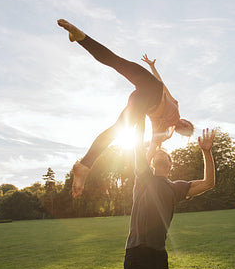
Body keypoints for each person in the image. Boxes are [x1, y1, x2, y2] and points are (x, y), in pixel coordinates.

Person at [57, 19, 194, 198]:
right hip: (150, 86)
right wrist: (153, 67)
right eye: (187, 124)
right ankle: (82, 38)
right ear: (186, 119)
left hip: (145, 102)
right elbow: (163, 84)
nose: (183, 125)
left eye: (185, 130)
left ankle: (84, 165)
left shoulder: (166, 132)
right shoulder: (175, 104)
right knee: (117, 62)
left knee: (118, 129)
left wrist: (144, 166)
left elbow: (153, 145)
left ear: (180, 133)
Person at [124, 126, 215, 269]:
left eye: (164, 154)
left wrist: (206, 152)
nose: (159, 154)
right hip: (137, 253)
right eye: (156, 155)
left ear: (170, 163)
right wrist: (155, 142)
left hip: (159, 255)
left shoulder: (175, 188)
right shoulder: (144, 179)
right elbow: (139, 156)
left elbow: (208, 183)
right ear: (152, 163)